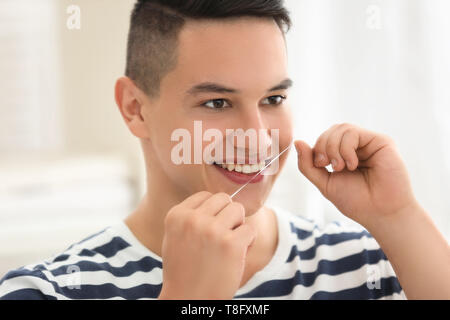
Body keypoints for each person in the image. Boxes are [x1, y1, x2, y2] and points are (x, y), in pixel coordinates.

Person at [1, 0, 449, 300]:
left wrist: (398, 218)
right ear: (136, 109)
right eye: (217, 103)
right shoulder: (47, 291)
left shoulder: (368, 264)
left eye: (273, 99)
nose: (256, 136)